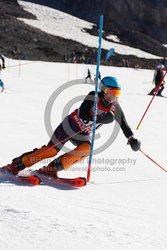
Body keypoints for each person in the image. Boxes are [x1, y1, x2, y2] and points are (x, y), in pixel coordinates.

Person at [2, 76, 141, 176]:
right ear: (102, 89)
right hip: (69, 126)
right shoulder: (93, 96)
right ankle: (17, 164)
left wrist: (132, 138)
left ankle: (52, 168)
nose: (112, 97)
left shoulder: (115, 107)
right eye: (110, 92)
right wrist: (101, 118)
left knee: (87, 148)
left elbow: (124, 124)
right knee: (51, 150)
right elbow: (84, 114)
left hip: (83, 134)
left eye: (116, 93)